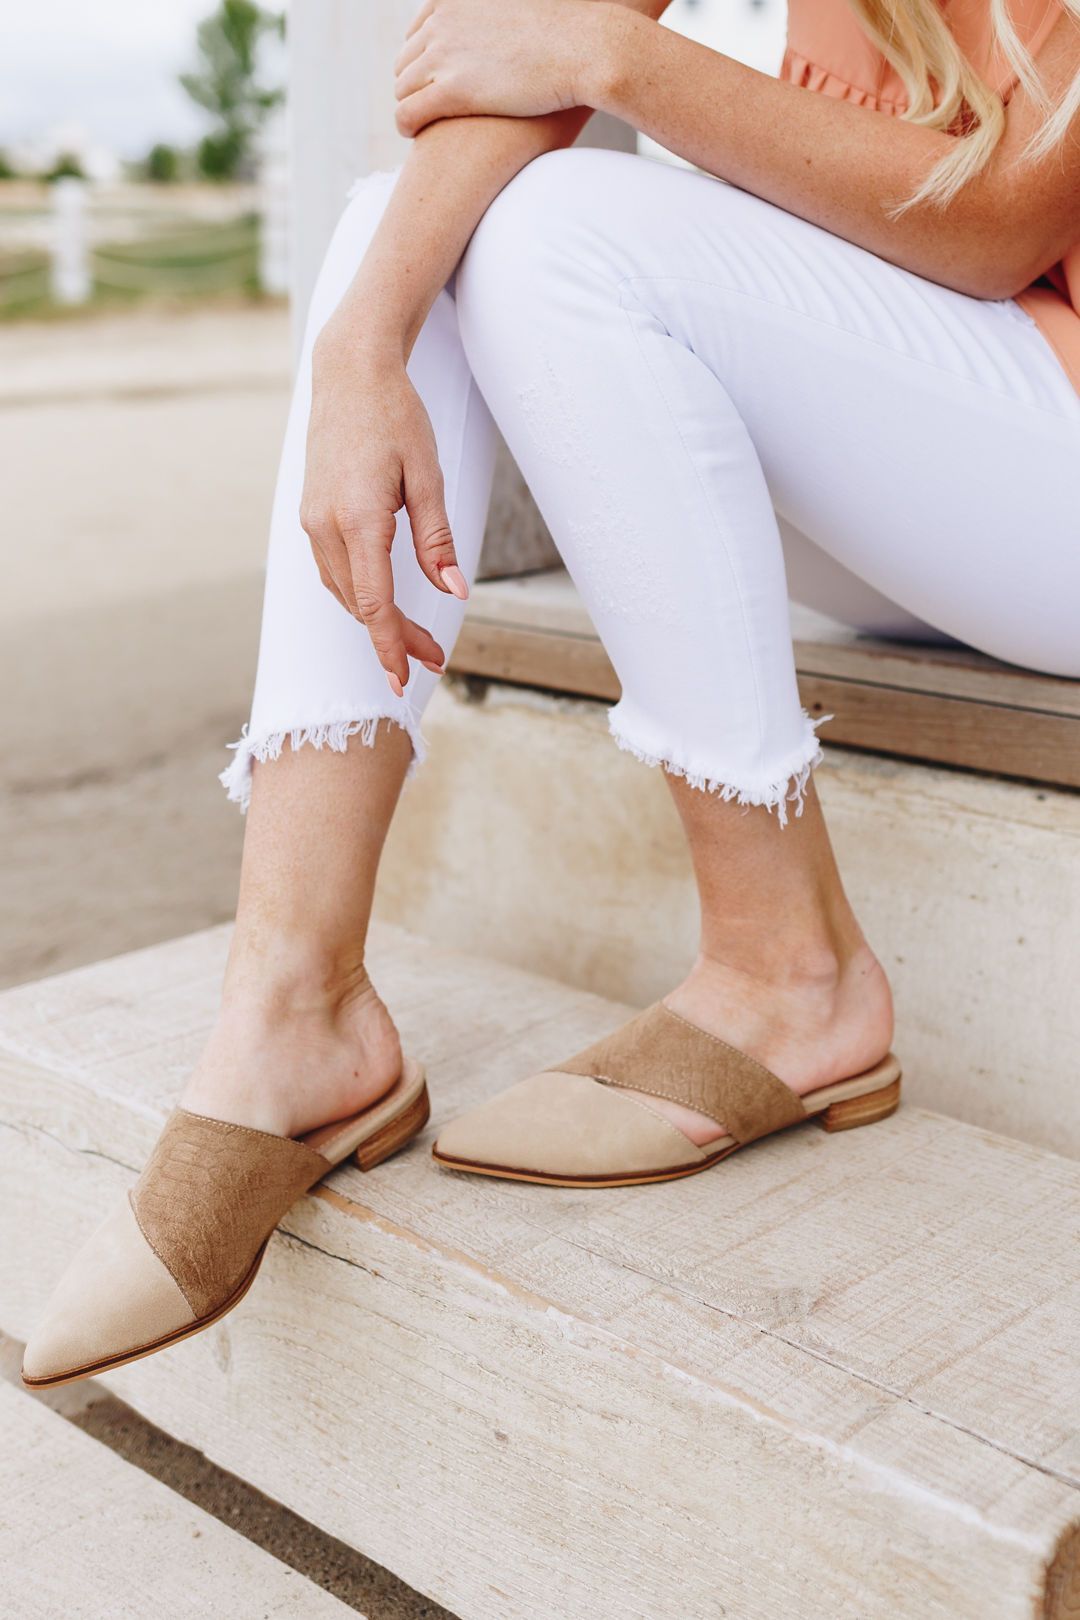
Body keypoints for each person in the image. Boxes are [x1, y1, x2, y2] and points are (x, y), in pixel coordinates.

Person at [23, 0, 1080, 1387]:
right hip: (980, 463)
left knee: (560, 227)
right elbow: (512, 61)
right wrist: (357, 346)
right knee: (407, 232)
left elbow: (1004, 216)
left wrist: (612, 55)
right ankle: (292, 999)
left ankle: (789, 972)